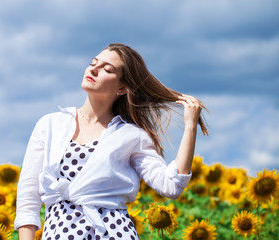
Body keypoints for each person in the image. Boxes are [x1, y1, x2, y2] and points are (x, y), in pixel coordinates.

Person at [14, 43, 208, 240]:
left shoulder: (131, 135)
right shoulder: (50, 125)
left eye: (107, 69)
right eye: (94, 63)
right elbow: (28, 198)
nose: (94, 69)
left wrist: (190, 126)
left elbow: (171, 186)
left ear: (122, 88)